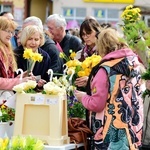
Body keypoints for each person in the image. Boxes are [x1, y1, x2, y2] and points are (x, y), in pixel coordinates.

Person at [74, 28, 144, 150]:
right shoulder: (135, 64)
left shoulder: (105, 70)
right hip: (133, 130)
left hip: (109, 134)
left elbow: (97, 104)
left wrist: (82, 97)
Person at [0, 16, 33, 90]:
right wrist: (18, 81)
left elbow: (7, 78)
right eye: (7, 31)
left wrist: (20, 77)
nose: (10, 35)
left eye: (11, 32)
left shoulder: (6, 49)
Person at [75, 18, 102, 88]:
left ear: (97, 32)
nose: (85, 37)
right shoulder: (79, 54)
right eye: (83, 34)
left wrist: (90, 80)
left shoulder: (104, 53)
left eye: (88, 33)